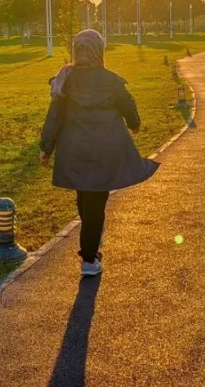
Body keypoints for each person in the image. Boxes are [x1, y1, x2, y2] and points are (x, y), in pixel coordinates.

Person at [40, 28, 158, 277]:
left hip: (74, 150)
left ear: (77, 50)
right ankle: (89, 259)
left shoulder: (66, 80)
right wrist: (135, 124)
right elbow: (128, 105)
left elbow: (54, 116)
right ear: (99, 51)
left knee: (85, 196)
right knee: (94, 201)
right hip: (104, 150)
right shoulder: (111, 80)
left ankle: (91, 244)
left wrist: (46, 148)